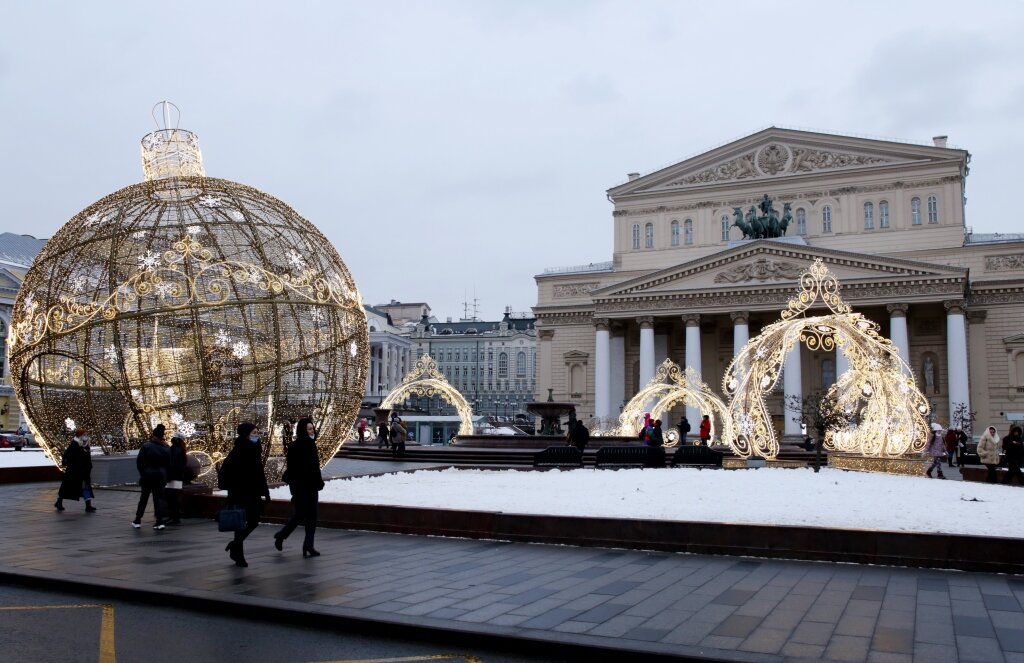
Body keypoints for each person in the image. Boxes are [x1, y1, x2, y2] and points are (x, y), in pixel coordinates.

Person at [218, 422, 271, 567]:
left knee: (254, 521)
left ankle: (235, 545)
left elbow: (260, 473)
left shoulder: (255, 449)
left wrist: (265, 492)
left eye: (257, 433)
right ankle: (238, 555)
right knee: (240, 523)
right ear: (246, 434)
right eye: (254, 433)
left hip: (253, 492)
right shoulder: (239, 449)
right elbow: (227, 472)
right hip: (240, 493)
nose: (256, 435)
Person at [274, 418, 325, 557]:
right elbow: (292, 469)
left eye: (312, 428)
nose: (312, 431)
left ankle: (308, 545)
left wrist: (318, 481)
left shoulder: (312, 445)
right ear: (303, 430)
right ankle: (281, 535)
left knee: (312, 516)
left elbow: (315, 467)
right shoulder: (294, 446)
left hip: (312, 486)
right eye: (309, 429)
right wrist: (295, 490)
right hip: (300, 487)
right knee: (300, 514)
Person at [134, 424, 171, 529]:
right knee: (158, 499)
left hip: (147, 475)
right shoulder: (166, 448)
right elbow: (169, 463)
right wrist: (165, 474)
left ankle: (137, 520)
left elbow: (139, 462)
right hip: (160, 476)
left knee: (144, 498)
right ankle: (159, 521)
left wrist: (143, 472)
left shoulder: (146, 446)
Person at [55, 429, 96, 513]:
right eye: (84, 434)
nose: (86, 436)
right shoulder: (74, 444)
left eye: (86, 434)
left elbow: (87, 458)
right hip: (74, 472)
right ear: (79, 435)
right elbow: (68, 456)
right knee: (67, 488)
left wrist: (89, 466)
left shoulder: (86, 445)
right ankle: (59, 501)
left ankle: (88, 505)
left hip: (84, 471)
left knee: (85, 487)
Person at [165, 434, 188, 525]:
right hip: (178, 477)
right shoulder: (181, 449)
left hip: (172, 477)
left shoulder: (174, 449)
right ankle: (175, 516)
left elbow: (172, 463)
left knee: (171, 497)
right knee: (174, 497)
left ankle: (174, 517)